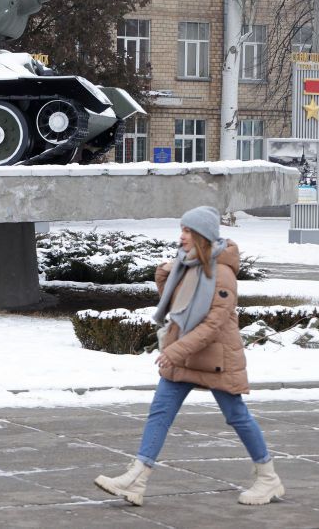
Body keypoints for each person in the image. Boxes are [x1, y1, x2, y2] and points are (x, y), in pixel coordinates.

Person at [94, 205, 284, 506]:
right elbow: (174, 303)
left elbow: (212, 324)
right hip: (185, 353)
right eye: (181, 230)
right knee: (160, 412)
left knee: (237, 416)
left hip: (216, 358)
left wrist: (174, 350)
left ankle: (268, 478)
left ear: (202, 236)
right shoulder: (190, 265)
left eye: (187, 231)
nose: (181, 236)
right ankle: (137, 479)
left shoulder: (221, 274)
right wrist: (166, 271)